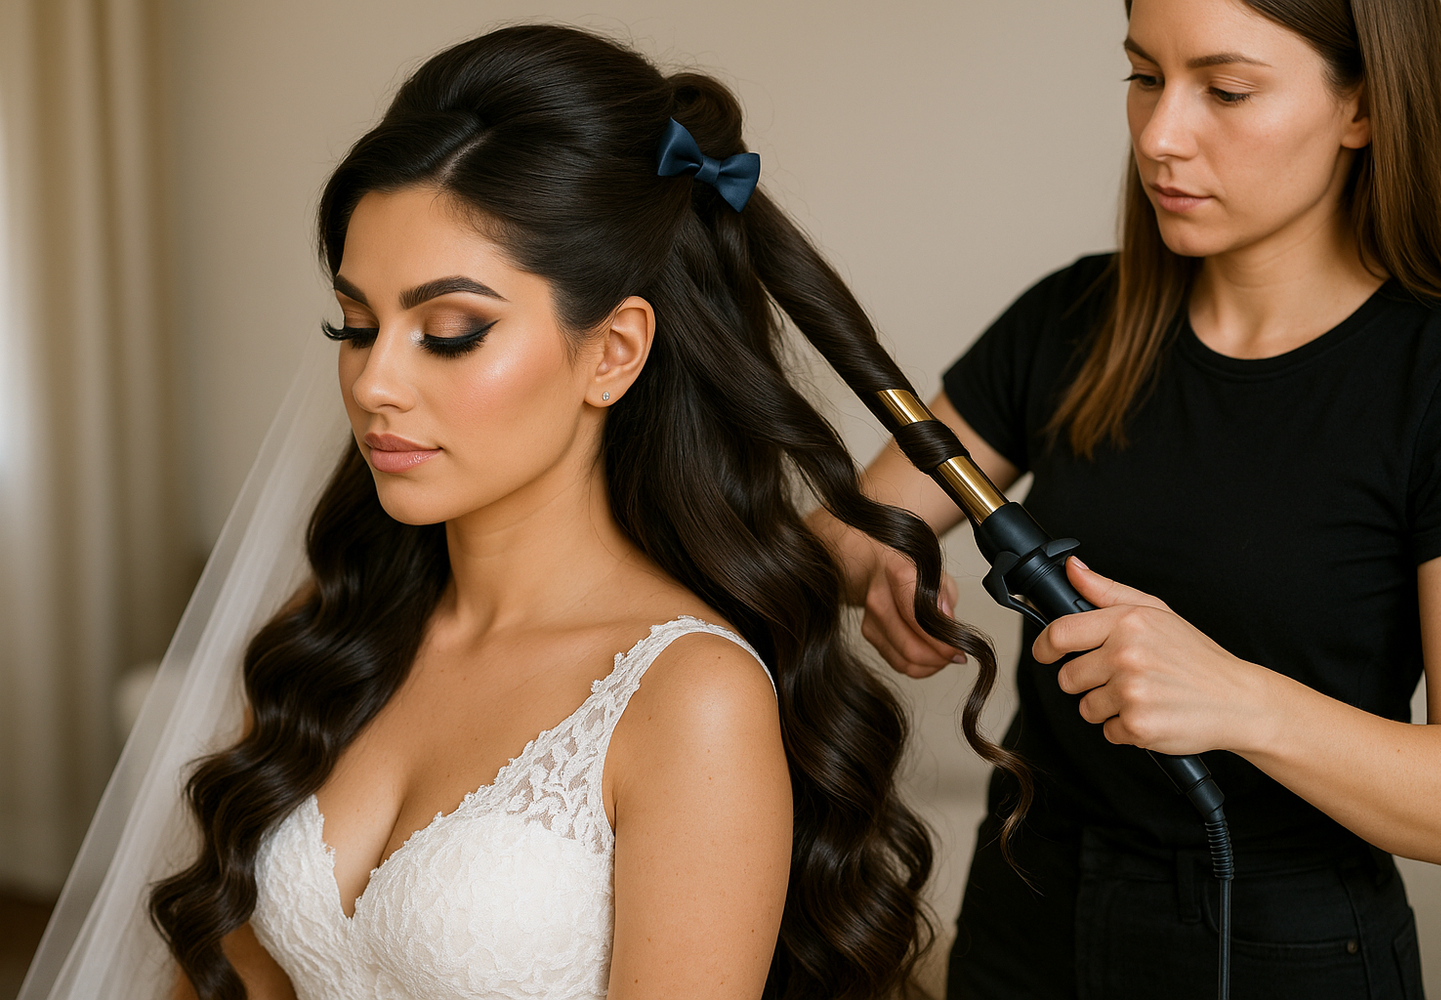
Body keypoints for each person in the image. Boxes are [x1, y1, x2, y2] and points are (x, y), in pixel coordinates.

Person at [134, 24, 1029, 1000]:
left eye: (450, 331)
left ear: (614, 352)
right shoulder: (334, 621)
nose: (375, 382)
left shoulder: (689, 698)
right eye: (355, 324)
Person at [811, 0, 1441, 996]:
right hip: (1024, 909)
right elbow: (842, 534)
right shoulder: (1074, 320)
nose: (1161, 136)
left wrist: (1235, 696)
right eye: (1144, 76)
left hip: (1284, 948)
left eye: (1226, 90)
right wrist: (872, 556)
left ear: (1363, 107)